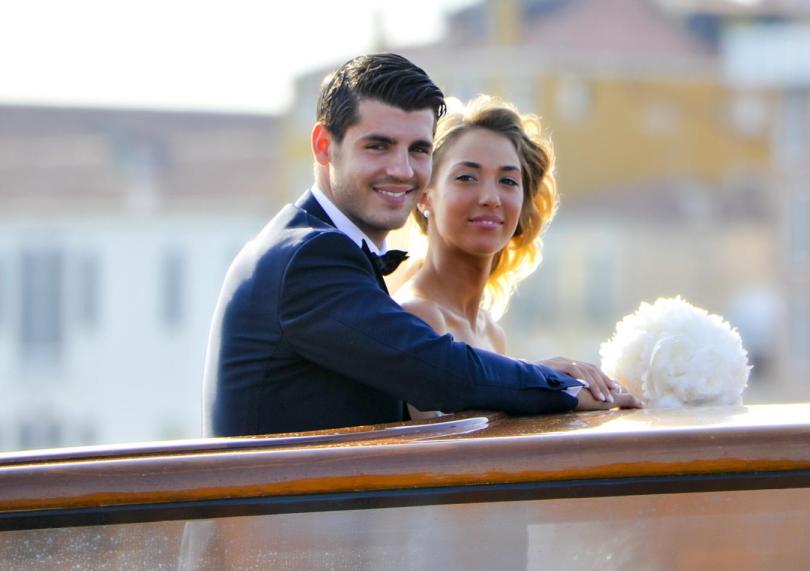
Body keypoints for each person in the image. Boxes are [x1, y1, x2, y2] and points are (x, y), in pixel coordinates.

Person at [202, 53, 639, 437]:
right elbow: (439, 371)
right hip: (278, 530)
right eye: (378, 146)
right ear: (323, 146)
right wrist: (555, 384)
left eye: (418, 150)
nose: (402, 169)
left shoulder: (318, 245)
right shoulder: (309, 256)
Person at [394, 95, 622, 419]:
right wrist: (541, 383)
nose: (490, 198)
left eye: (508, 181)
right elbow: (444, 451)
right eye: (466, 177)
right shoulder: (416, 316)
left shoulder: (491, 331)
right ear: (425, 196)